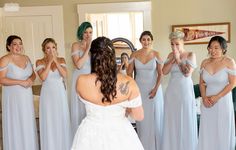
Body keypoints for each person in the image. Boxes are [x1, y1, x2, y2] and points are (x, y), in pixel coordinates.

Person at [71, 36, 144, 150]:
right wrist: (126, 108)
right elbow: (139, 116)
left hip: (90, 135)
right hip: (120, 134)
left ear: (92, 56)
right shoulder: (129, 82)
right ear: (113, 56)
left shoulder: (81, 81)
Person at [0, 35, 39, 150]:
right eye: (15, 44)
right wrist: (20, 82)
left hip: (26, 97)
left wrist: (30, 80)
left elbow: (33, 74)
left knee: (26, 122)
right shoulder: (4, 59)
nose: (18, 46)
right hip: (12, 98)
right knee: (15, 123)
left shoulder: (26, 58)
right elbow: (1, 79)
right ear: (9, 46)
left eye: (20, 43)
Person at [127, 31, 164, 150]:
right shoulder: (134, 54)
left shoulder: (156, 54)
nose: (146, 42)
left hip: (153, 90)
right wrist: (132, 90)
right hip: (139, 90)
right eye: (144, 39)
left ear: (151, 41)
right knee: (141, 120)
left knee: (154, 120)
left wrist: (155, 89)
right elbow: (128, 73)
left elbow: (160, 74)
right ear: (140, 41)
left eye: (148, 39)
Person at [162, 30, 198, 150]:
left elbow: (187, 73)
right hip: (172, 92)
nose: (174, 47)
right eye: (172, 44)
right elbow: (164, 71)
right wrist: (173, 59)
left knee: (185, 119)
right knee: (172, 121)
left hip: (185, 92)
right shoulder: (170, 55)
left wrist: (178, 60)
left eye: (177, 44)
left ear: (183, 42)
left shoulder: (190, 55)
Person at [198, 36, 236, 150]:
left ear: (223, 49)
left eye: (216, 48)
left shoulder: (229, 62)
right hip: (207, 103)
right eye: (211, 47)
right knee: (208, 130)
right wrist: (204, 98)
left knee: (222, 130)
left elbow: (233, 83)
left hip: (223, 100)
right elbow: (201, 83)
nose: (213, 51)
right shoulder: (204, 62)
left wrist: (216, 97)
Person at [35, 38, 72, 150]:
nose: (51, 50)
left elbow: (64, 74)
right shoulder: (39, 62)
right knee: (49, 121)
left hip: (59, 94)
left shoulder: (61, 60)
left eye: (53, 47)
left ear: (56, 48)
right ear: (44, 50)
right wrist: (50, 61)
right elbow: (43, 77)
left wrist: (55, 61)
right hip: (47, 96)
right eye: (48, 48)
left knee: (61, 119)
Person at [70, 22, 93, 136]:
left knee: (89, 110)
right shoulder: (75, 45)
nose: (88, 35)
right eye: (85, 32)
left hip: (91, 81)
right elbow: (78, 65)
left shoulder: (95, 47)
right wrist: (88, 48)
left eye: (90, 32)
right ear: (81, 32)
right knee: (79, 109)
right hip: (79, 80)